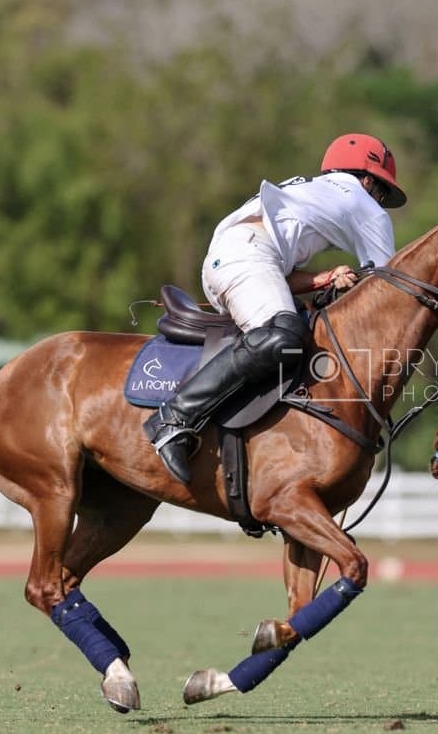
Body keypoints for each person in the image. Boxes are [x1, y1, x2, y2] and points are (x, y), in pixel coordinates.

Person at [144, 133, 407, 484]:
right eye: (382, 192)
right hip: (249, 257)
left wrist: (325, 278)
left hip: (233, 257)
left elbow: (278, 262)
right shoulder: (366, 205)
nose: (380, 201)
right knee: (283, 336)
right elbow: (386, 288)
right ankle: (173, 417)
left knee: (298, 333)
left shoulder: (311, 192)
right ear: (368, 180)